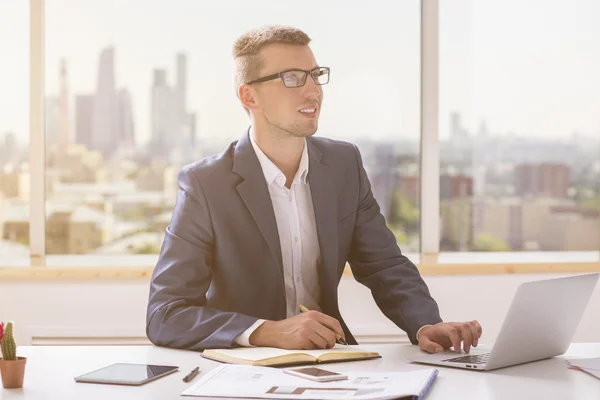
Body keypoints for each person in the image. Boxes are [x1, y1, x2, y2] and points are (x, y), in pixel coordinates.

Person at [146, 25, 482, 354]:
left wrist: (425, 324)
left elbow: (384, 265)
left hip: (334, 361)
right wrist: (267, 331)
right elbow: (166, 314)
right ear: (249, 95)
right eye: (292, 78)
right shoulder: (206, 183)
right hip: (243, 368)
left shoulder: (343, 164)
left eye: (315, 75)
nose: (313, 91)